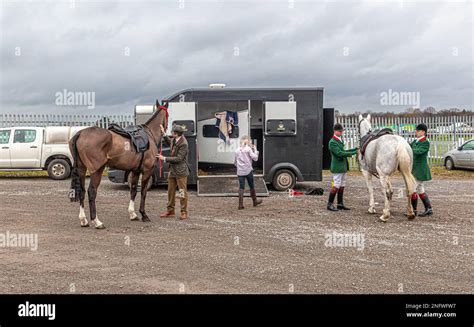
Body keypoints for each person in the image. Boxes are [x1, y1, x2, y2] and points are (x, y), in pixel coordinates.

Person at [157, 124, 190, 220]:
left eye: (172, 132)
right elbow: (169, 142)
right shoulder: (175, 139)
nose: (171, 133)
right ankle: (170, 210)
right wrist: (163, 133)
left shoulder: (184, 143)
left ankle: (184, 212)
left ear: (176, 134)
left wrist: (164, 158)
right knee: (170, 191)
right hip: (173, 171)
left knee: (182, 192)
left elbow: (179, 158)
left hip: (181, 172)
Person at [327, 123, 358, 211]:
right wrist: (353, 153)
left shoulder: (339, 140)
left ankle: (340, 204)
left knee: (342, 185)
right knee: (336, 185)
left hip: (343, 167)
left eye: (341, 131)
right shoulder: (332, 142)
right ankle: (329, 204)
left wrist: (355, 149)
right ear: (335, 131)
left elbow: (344, 151)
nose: (341, 133)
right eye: (339, 131)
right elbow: (339, 154)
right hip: (337, 167)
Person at [409, 123, 433, 217]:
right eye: (416, 130)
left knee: (413, 189)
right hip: (415, 169)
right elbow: (409, 147)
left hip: (421, 169)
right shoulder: (415, 141)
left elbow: (418, 152)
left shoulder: (425, 142)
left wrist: (412, 147)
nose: (416, 132)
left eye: (418, 130)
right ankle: (429, 209)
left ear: (423, 132)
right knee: (420, 190)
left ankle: (413, 211)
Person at [234, 135, 262, 209]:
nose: (250, 141)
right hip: (248, 170)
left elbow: (235, 162)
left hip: (240, 171)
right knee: (251, 185)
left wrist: (240, 167)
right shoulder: (248, 149)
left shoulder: (236, 150)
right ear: (246, 141)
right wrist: (255, 150)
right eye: (249, 140)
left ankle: (240, 205)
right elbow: (255, 158)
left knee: (241, 187)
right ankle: (255, 201)